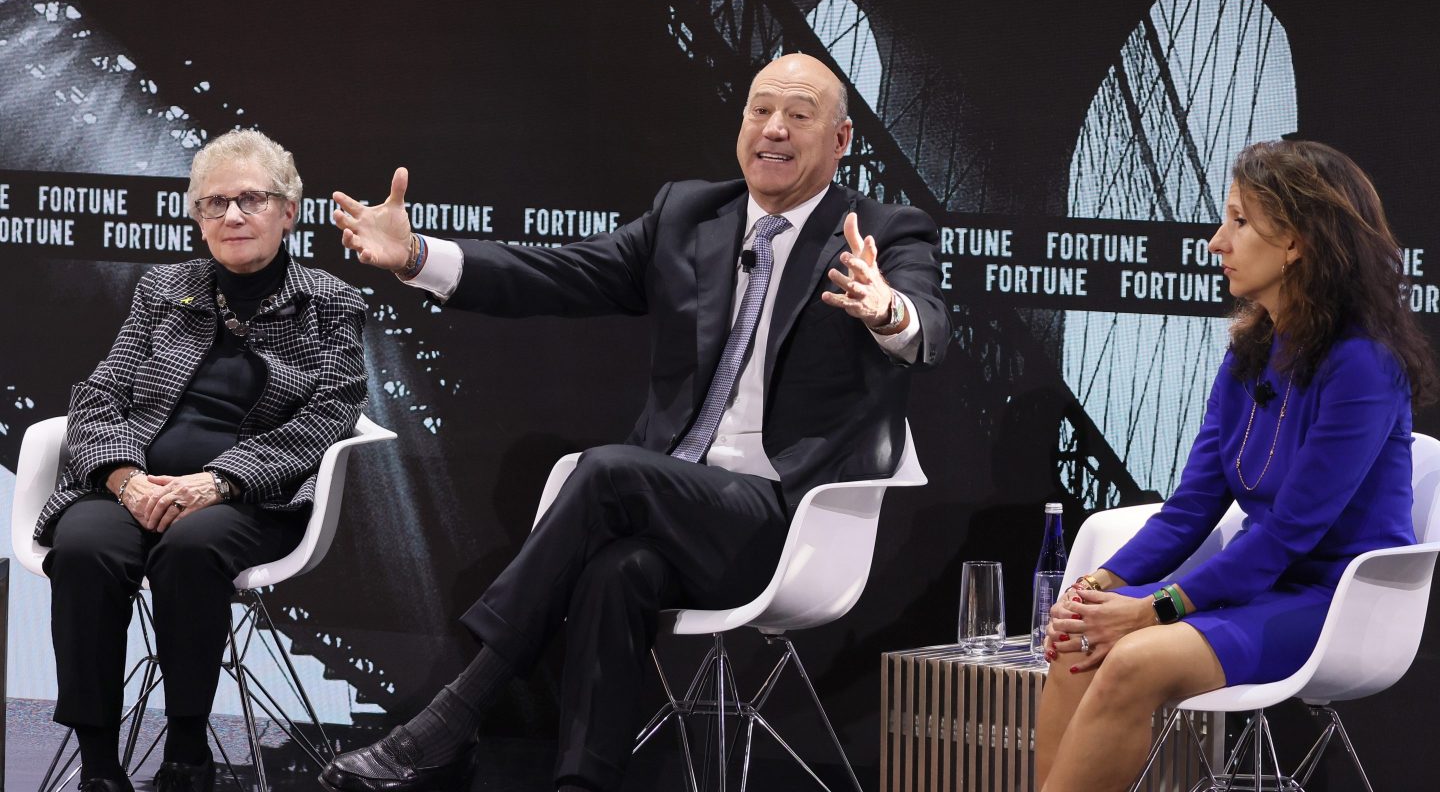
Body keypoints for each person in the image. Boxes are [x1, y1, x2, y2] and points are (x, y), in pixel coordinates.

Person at [320, 53, 949, 792]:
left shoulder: (881, 231)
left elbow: (928, 328)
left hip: (782, 522)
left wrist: (886, 311)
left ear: (840, 140)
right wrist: (419, 256)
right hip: (673, 508)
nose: (773, 129)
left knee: (610, 471)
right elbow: (558, 273)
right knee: (620, 571)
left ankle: (455, 712)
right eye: (759, 111)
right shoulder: (690, 214)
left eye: (799, 116)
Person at [1034, 139, 1437, 792]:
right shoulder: (1251, 350)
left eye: (1239, 221)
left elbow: (1289, 535)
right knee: (1078, 642)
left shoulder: (1362, 364)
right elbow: (1193, 506)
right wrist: (1101, 588)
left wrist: (1150, 611)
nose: (1218, 242)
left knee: (1133, 660)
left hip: (1336, 603)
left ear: (1296, 243)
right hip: (1260, 587)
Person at [38, 130, 369, 792]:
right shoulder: (164, 288)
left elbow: (329, 416)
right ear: (197, 217)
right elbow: (99, 396)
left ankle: (188, 750)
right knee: (79, 547)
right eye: (214, 203)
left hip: (255, 500)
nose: (232, 216)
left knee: (191, 550)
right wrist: (127, 482)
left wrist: (219, 481)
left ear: (288, 210)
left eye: (250, 199)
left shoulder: (330, 303)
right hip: (136, 486)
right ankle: (99, 765)